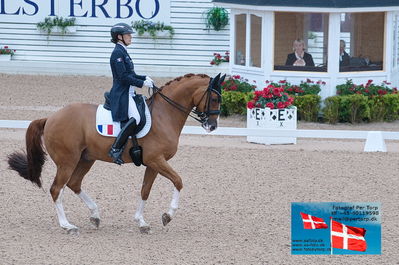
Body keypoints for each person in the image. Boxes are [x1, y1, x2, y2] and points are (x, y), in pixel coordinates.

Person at [108, 23, 153, 165]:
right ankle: (115, 148)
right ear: (119, 37)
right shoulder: (117, 53)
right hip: (122, 93)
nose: (130, 37)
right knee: (136, 118)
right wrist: (142, 84)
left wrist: (144, 78)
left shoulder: (123, 51)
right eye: (128, 35)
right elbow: (123, 77)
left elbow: (131, 74)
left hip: (129, 92)